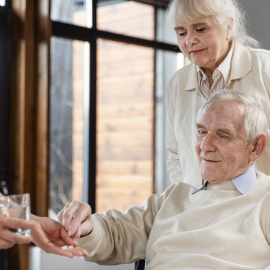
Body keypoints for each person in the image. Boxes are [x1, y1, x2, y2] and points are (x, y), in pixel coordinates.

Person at [57, 90, 270, 269]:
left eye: (222, 135)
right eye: (201, 131)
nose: (205, 145)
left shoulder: (265, 199)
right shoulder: (175, 196)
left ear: (255, 146)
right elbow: (116, 234)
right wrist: (88, 226)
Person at [166, 0, 270, 187]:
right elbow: (175, 153)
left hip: (261, 208)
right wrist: (185, 201)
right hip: (200, 208)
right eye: (181, 33)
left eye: (200, 29)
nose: (189, 41)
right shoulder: (177, 83)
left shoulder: (266, 68)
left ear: (228, 26)